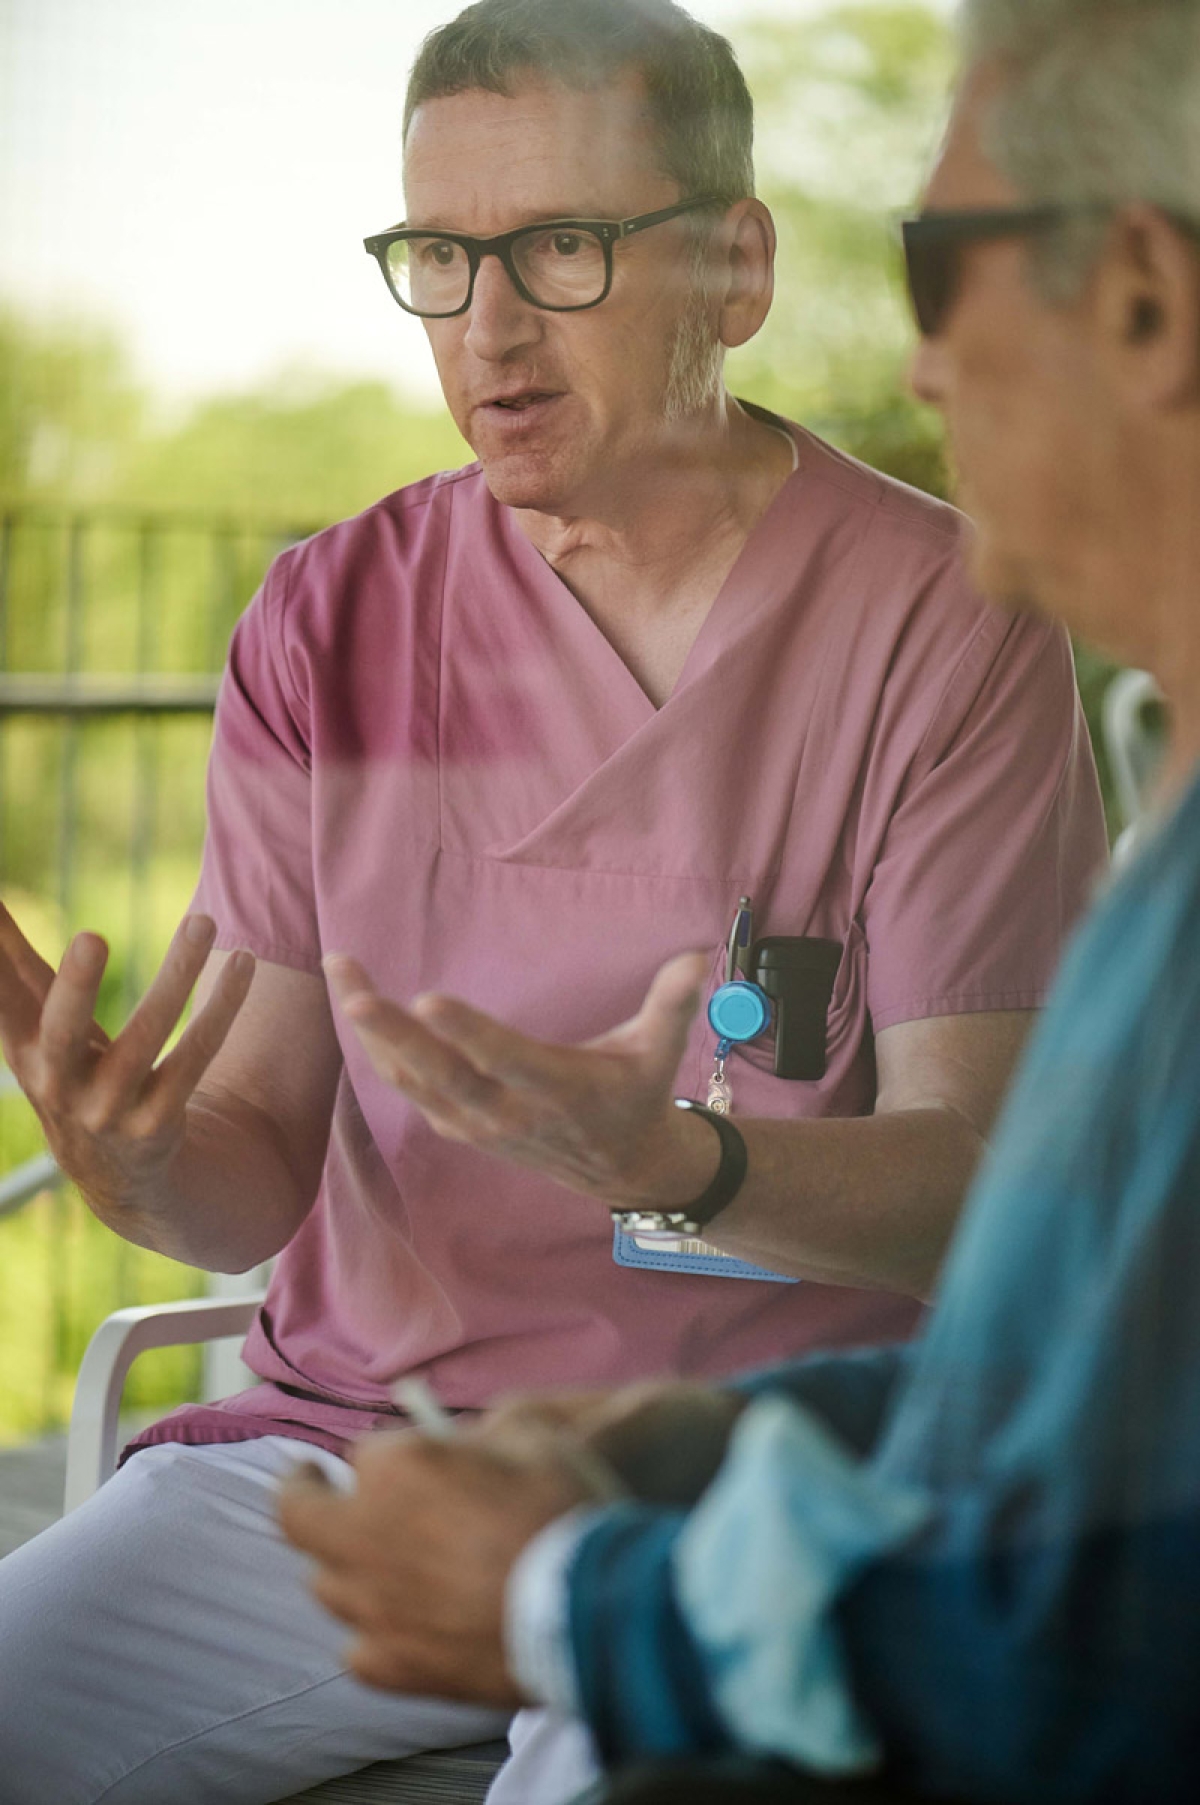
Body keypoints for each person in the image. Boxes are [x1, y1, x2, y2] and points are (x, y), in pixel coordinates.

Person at [0, 1, 1105, 1802]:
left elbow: (981, 1188)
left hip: (745, 1473)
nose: (487, 325)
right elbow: (255, 1159)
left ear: (733, 268)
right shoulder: (328, 617)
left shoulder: (949, 627)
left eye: (560, 252)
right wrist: (132, 1162)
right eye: (439, 256)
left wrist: (679, 1160)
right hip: (370, 1448)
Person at [278, 1, 1200, 1800]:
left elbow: (1108, 1632)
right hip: (487, 1450)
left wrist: (566, 1591)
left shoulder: (950, 637)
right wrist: (707, 1432)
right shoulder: (1166, 777)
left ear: (1148, 300)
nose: (921, 371)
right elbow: (1051, 1376)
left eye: (944, 267)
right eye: (442, 259)